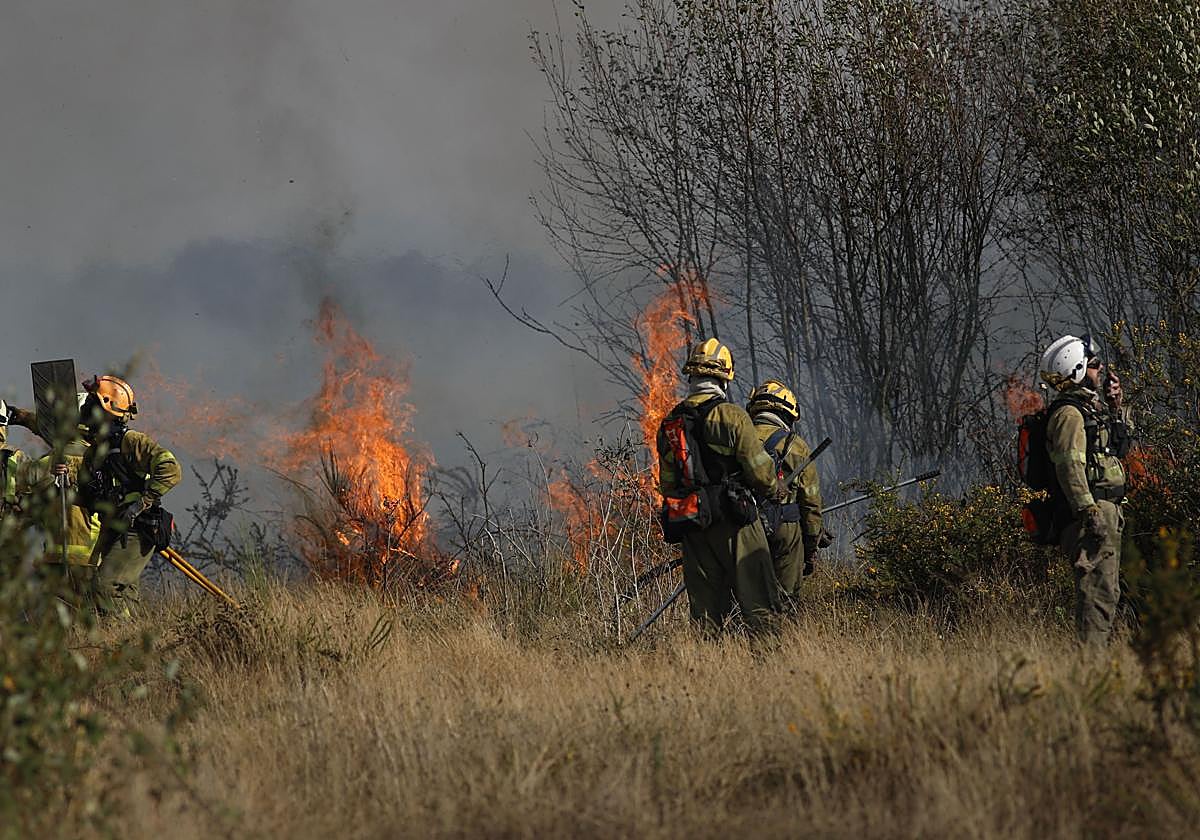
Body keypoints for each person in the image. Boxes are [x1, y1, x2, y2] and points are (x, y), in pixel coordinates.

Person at [656, 339, 782, 632]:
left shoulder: (670, 422)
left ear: (692, 376)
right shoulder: (732, 415)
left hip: (694, 525)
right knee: (759, 601)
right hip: (735, 522)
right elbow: (760, 472)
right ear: (724, 376)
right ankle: (772, 669)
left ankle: (704, 668)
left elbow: (668, 485)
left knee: (705, 614)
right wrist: (776, 491)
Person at [1040, 334, 1133, 646]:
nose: (1100, 369)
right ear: (1076, 369)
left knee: (1107, 592)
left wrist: (1116, 406)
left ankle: (1096, 663)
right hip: (1091, 516)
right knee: (1097, 594)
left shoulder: (1088, 410)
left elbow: (1119, 447)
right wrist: (1089, 510)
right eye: (1093, 365)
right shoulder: (1069, 414)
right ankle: (1091, 669)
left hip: (1106, 512)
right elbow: (1069, 466)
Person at [77, 375, 181, 616]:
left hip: (137, 526)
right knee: (122, 595)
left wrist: (143, 502)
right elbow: (87, 496)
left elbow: (170, 468)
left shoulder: (130, 441)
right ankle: (127, 642)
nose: (85, 410)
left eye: (91, 405)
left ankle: (119, 643)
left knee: (105, 587)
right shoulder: (93, 454)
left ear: (106, 409)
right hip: (113, 527)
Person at [745, 380, 828, 598]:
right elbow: (810, 502)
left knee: (745, 598)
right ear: (787, 414)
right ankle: (785, 631)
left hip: (742, 527)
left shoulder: (739, 438)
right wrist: (810, 546)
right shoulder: (796, 446)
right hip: (785, 529)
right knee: (786, 598)